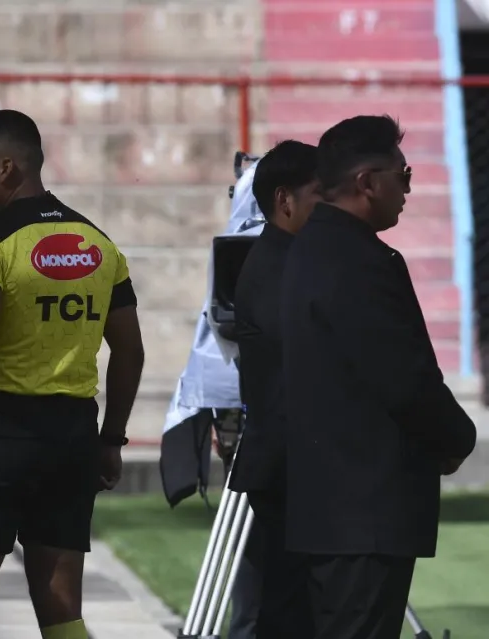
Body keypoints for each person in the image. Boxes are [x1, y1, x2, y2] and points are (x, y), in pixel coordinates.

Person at [0, 109, 145, 639]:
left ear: (7, 167)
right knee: (63, 610)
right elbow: (130, 351)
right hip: (69, 437)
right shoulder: (99, 244)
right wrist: (111, 440)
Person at [279, 115, 477, 639]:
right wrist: (458, 436)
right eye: (403, 176)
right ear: (368, 182)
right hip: (360, 508)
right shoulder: (355, 259)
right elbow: (401, 376)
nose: (408, 189)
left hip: (334, 502)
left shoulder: (316, 247)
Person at [226, 140, 320, 638]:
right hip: (293, 469)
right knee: (290, 612)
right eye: (321, 197)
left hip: (292, 464)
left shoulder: (288, 262)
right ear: (285, 200)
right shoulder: (286, 270)